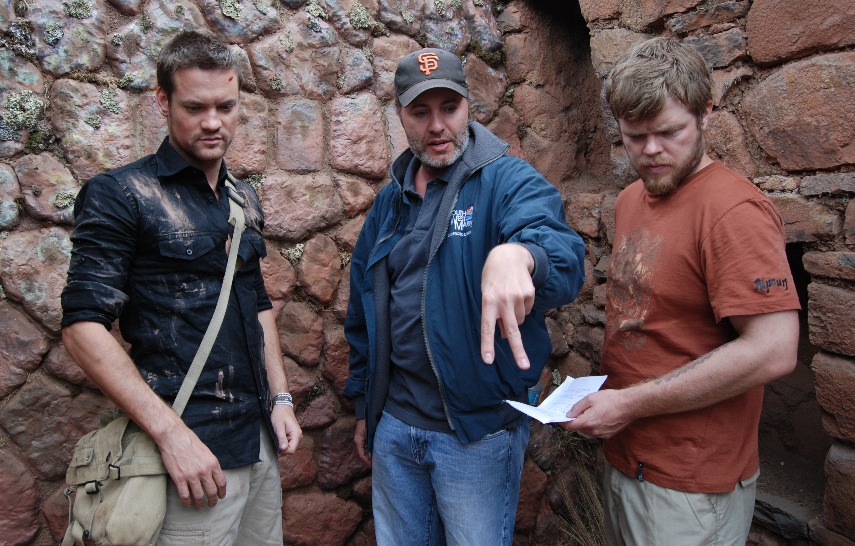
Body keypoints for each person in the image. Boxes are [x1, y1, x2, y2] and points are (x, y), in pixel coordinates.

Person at [60, 30, 301, 545]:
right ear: (162, 101)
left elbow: (257, 305)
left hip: (256, 443)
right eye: (194, 107)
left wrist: (280, 397)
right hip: (187, 458)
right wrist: (172, 436)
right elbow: (83, 328)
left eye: (225, 106)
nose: (213, 122)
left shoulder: (243, 198)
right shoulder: (120, 194)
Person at [562, 37, 801, 545]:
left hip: (691, 487)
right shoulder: (631, 198)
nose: (650, 151)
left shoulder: (733, 212)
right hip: (629, 458)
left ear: (706, 115)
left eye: (669, 132)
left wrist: (629, 404)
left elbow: (775, 350)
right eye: (634, 137)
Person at [342, 47, 586, 545]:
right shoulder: (390, 200)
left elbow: (562, 255)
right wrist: (367, 406)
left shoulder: (507, 180)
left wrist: (521, 256)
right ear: (400, 116)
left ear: (469, 106)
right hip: (394, 426)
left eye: (448, 108)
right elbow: (364, 307)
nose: (437, 126)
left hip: (476, 434)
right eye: (420, 111)